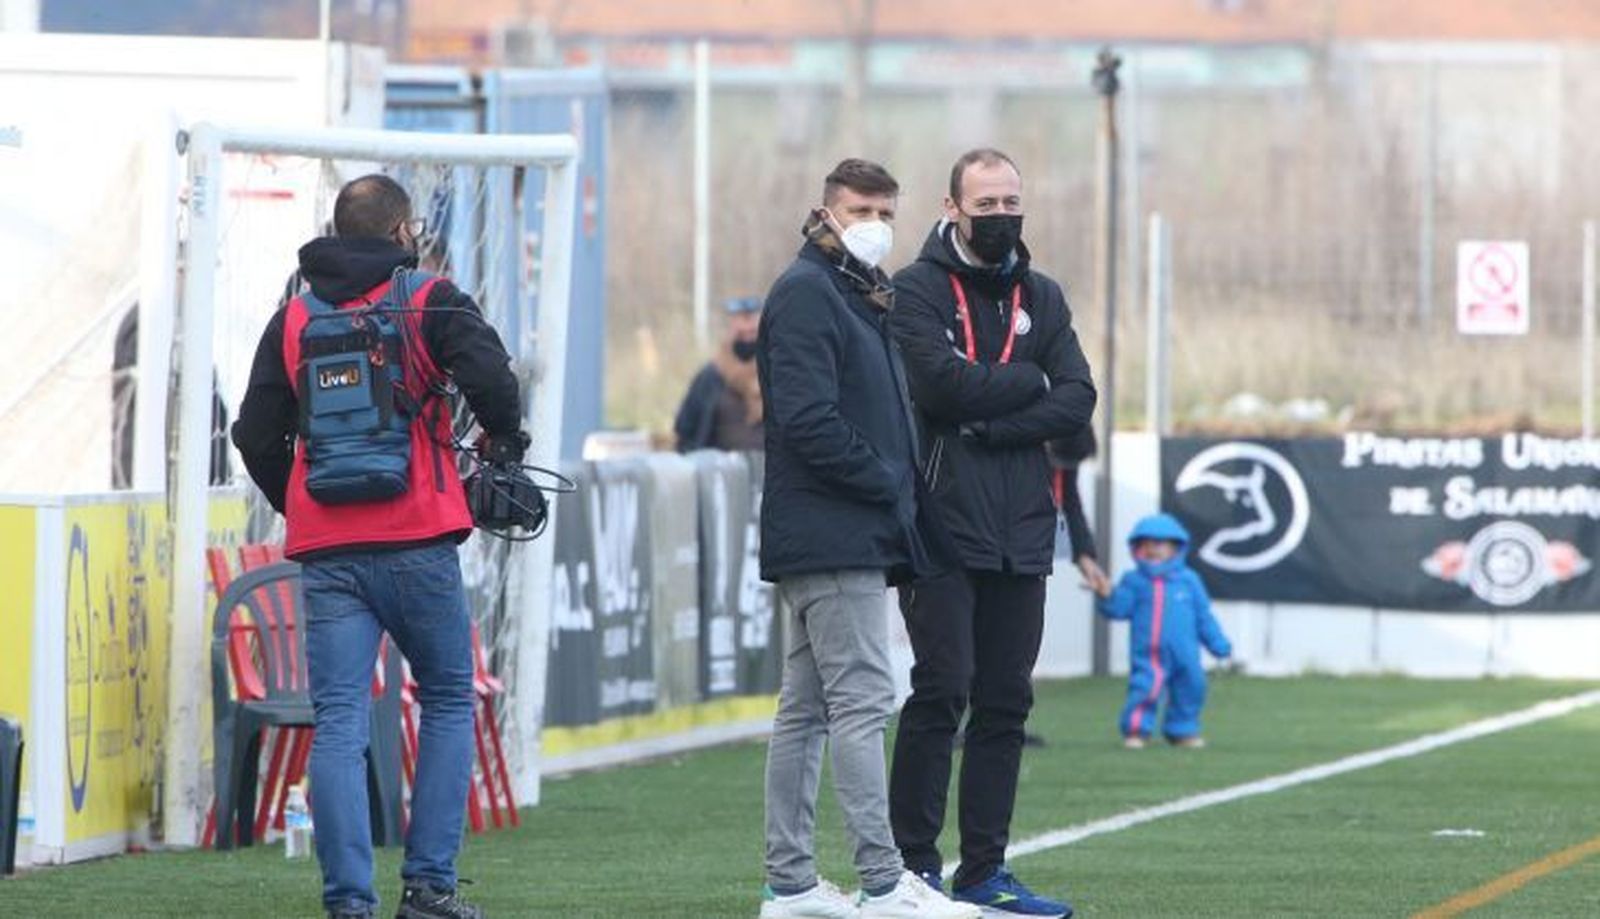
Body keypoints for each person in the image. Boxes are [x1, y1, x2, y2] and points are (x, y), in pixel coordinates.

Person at [232, 174, 528, 919]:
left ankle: (348, 903)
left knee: (338, 720)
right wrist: (503, 440)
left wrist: (299, 500)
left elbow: (253, 432)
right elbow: (493, 378)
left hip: (328, 551)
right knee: (449, 699)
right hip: (419, 537)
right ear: (402, 233)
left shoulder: (294, 317)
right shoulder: (428, 298)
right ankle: (429, 888)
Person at [757, 158, 976, 919]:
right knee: (860, 702)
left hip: (838, 526)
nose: (875, 223)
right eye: (860, 208)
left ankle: (788, 883)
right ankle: (884, 883)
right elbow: (807, 419)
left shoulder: (850, 292)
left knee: (807, 708)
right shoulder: (809, 293)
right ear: (825, 211)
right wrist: (887, 479)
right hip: (832, 527)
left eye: (886, 209)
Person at [887, 148, 1096, 919]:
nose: (1003, 214)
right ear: (952, 207)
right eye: (988, 202)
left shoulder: (1042, 294)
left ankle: (984, 871)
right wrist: (1023, 385)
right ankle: (911, 871)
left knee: (1006, 701)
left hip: (1022, 526)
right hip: (940, 523)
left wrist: (990, 419)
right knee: (943, 689)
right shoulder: (914, 289)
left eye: (1013, 200)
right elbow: (937, 385)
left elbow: (1077, 396)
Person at [1095, 513, 1233, 749]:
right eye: (1144, 545)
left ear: (1175, 547)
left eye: (1158, 544)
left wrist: (1218, 644)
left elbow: (1203, 616)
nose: (1151, 550)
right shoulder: (1133, 580)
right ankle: (1137, 731)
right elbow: (1119, 609)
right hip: (1149, 653)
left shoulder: (1189, 580)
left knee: (1192, 687)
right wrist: (1106, 594)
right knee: (1145, 689)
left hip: (1186, 652)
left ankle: (1183, 731)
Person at [673, 295, 765, 452]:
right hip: (721, 469)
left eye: (752, 322)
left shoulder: (778, 374)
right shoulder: (710, 377)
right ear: (732, 326)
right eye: (741, 321)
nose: (747, 328)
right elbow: (685, 428)